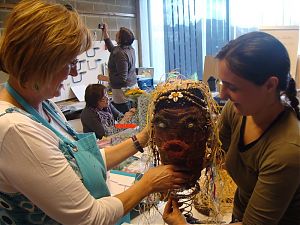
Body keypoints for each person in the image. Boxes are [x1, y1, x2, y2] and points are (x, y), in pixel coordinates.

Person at [0, 1, 190, 224]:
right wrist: (148, 184)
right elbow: (90, 218)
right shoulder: (16, 130)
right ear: (40, 62)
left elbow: (82, 162)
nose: (75, 70)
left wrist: (143, 137)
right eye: (69, 62)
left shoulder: (42, 105)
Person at [163, 31, 300, 225]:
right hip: (241, 212)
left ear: (270, 85)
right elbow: (215, 153)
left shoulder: (286, 151)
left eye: (233, 87)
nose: (223, 95)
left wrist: (182, 224)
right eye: (222, 83)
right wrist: (181, 171)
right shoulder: (238, 110)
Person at [101, 24, 137, 114]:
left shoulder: (120, 53)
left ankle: (126, 128)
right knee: (129, 120)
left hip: (122, 93)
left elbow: (122, 78)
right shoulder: (129, 49)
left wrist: (106, 78)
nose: (116, 34)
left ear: (121, 38)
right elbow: (111, 48)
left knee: (124, 120)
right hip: (130, 88)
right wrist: (105, 32)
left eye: (118, 34)